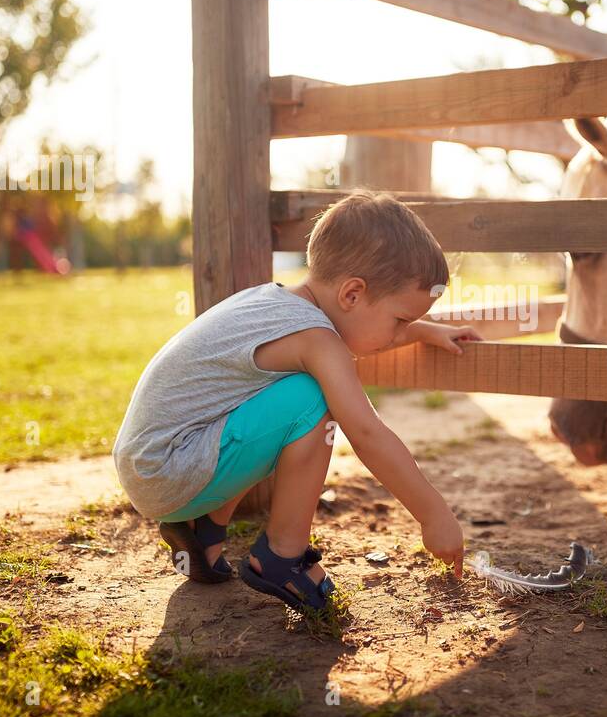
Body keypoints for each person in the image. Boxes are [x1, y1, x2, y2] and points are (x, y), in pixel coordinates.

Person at [112, 191, 479, 613]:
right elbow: (366, 432)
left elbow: (360, 336)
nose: (401, 329)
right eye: (401, 319)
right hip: (170, 468)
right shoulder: (317, 341)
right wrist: (433, 514)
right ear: (352, 295)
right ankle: (281, 555)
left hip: (152, 462)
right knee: (311, 399)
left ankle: (202, 531)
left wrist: (423, 331)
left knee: (276, 405)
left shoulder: (277, 306)